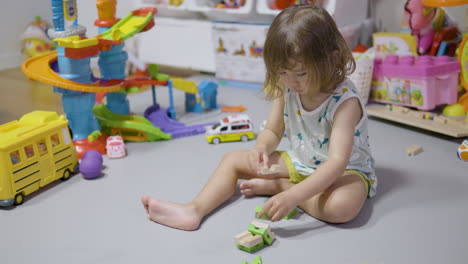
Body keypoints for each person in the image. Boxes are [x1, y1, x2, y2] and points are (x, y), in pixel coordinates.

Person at [141, 4, 377, 231]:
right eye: (282, 72)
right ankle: (194, 210)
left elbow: (336, 163)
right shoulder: (289, 88)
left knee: (341, 207)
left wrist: (291, 195)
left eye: (300, 73)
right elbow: (273, 131)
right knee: (232, 159)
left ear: (332, 58)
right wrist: (262, 148)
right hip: (302, 161)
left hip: (344, 171)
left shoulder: (345, 103)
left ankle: (278, 186)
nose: (290, 81)